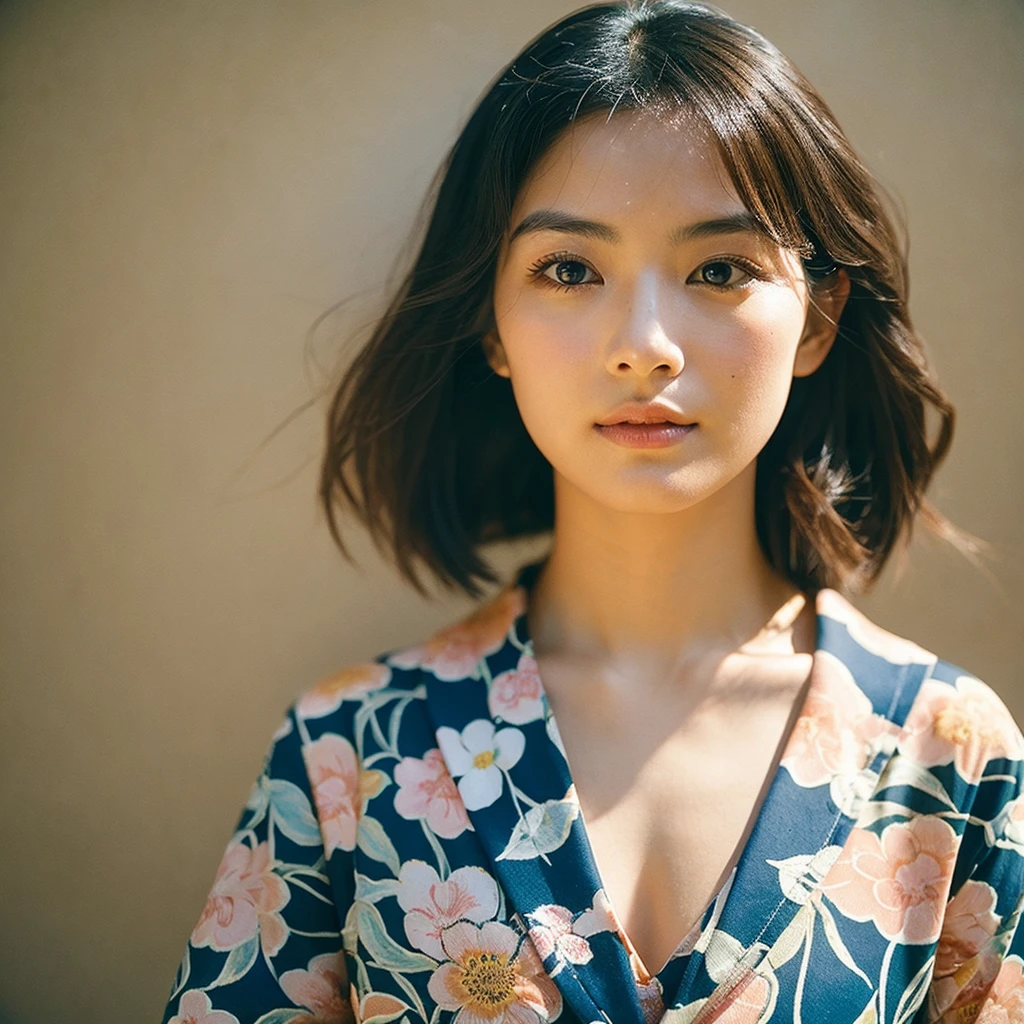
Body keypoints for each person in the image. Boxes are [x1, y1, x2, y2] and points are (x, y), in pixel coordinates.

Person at [160, 2, 1024, 1022]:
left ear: (818, 315)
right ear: (491, 320)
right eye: (569, 269)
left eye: (720, 268)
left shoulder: (947, 754)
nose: (645, 343)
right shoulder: (349, 756)